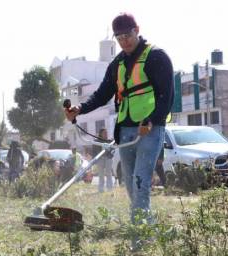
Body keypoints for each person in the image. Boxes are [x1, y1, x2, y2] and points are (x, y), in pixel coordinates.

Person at [64, 13, 174, 227]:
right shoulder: (117, 64)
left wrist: (151, 120)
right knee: (131, 184)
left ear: (137, 30)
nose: (124, 41)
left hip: (149, 129)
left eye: (127, 35)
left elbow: (167, 96)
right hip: (125, 130)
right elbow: (103, 93)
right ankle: (145, 223)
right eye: (119, 38)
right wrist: (80, 109)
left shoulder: (156, 57)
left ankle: (139, 231)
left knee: (140, 180)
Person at [93, 128, 114, 192]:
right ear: (101, 134)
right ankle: (101, 189)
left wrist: (111, 155)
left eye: (106, 133)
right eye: (104, 133)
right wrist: (95, 159)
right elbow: (94, 151)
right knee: (101, 174)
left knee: (109, 174)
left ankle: (110, 189)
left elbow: (113, 150)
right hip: (100, 159)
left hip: (108, 158)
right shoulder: (96, 141)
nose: (106, 134)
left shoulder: (110, 141)